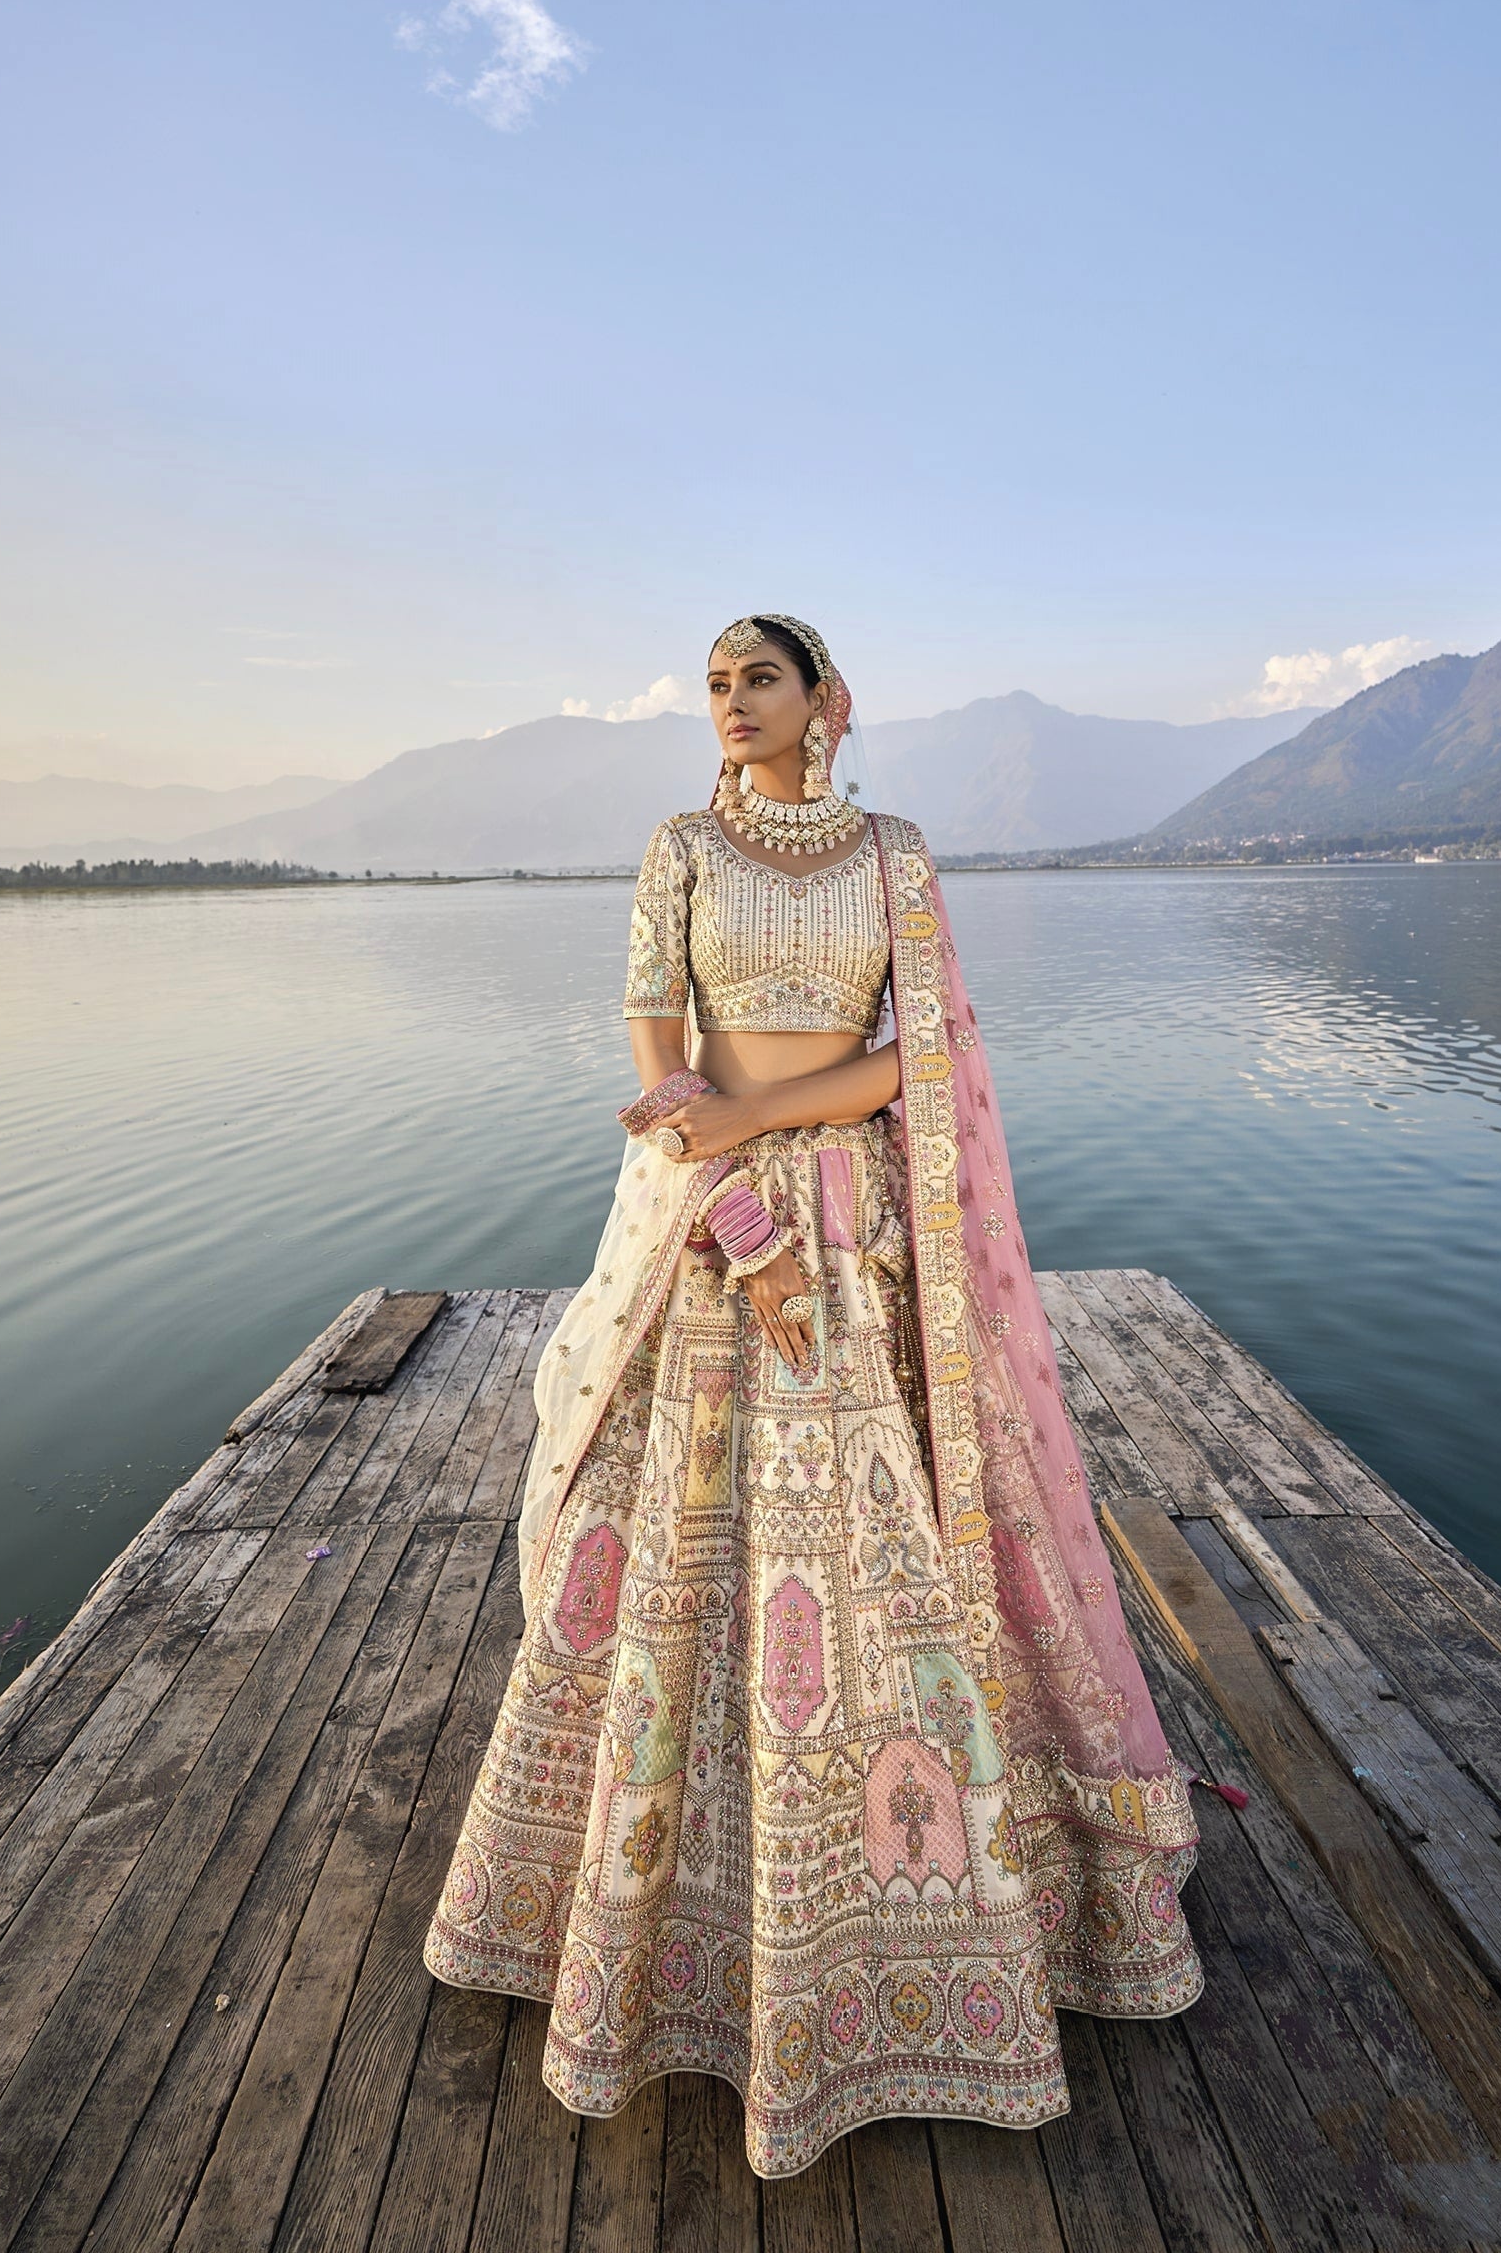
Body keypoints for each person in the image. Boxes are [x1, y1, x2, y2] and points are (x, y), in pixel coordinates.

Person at [425, 614, 1203, 2177]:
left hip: (855, 1227)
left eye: (756, 678)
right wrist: (736, 1203)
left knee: (885, 1559)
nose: (729, 701)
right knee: (682, 1562)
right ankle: (656, 1921)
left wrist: (762, 1119)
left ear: (824, 702)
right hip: (716, 1235)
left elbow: (922, 1056)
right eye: (713, 682)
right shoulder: (676, 852)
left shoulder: (896, 854)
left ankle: (927, 1916)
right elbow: (658, 1066)